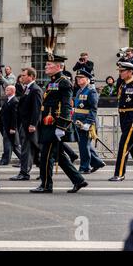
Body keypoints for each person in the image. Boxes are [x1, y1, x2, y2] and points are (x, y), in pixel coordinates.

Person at [30, 55, 88, 194]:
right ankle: (78, 180)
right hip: (48, 124)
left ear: (58, 67)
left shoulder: (64, 82)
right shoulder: (52, 82)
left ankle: (46, 185)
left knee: (46, 155)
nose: (46, 67)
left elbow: (67, 105)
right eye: (47, 65)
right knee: (60, 156)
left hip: (55, 125)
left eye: (49, 65)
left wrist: (61, 126)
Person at [10, 67, 43, 181]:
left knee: (26, 150)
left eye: (24, 75)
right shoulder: (28, 88)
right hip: (24, 124)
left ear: (31, 77)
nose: (21, 77)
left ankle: (24, 173)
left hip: (29, 125)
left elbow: (36, 109)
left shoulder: (35, 89)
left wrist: (33, 124)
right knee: (34, 150)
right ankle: (43, 172)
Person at [73, 69, 106, 174]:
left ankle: (84, 167)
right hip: (79, 121)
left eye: (81, 78)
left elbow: (93, 109)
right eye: (77, 78)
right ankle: (97, 162)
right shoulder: (80, 90)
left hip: (86, 122)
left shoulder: (91, 91)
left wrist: (88, 122)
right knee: (84, 144)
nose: (78, 80)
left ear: (87, 79)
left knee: (84, 146)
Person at [0, 85, 21, 166]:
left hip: (10, 127)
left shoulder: (14, 101)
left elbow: (15, 116)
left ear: (12, 91)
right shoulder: (8, 100)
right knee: (14, 145)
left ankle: (5, 160)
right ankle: (23, 159)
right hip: (6, 126)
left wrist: (13, 127)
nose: (5, 91)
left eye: (7, 90)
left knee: (10, 144)